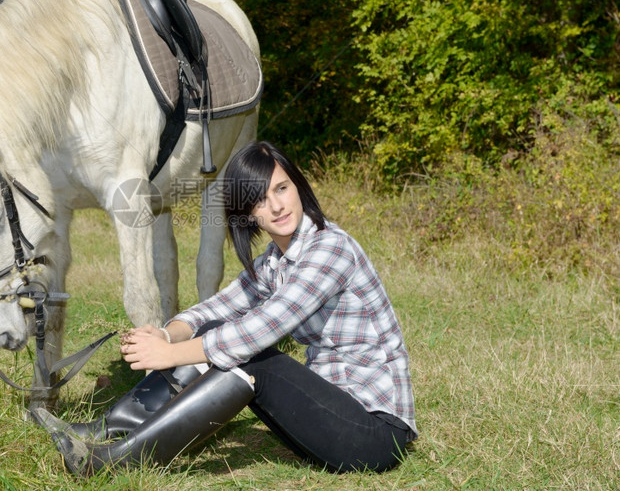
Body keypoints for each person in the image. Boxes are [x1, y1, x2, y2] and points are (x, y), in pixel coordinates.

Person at [40, 141, 418, 476]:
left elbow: (261, 330)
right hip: (329, 415)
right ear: (247, 214)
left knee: (254, 357)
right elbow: (218, 307)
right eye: (259, 200)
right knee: (217, 335)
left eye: (282, 189)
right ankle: (112, 427)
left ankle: (117, 460)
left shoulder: (330, 249)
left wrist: (169, 354)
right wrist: (168, 334)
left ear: (299, 187)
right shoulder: (275, 261)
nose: (276, 206)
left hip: (376, 433)